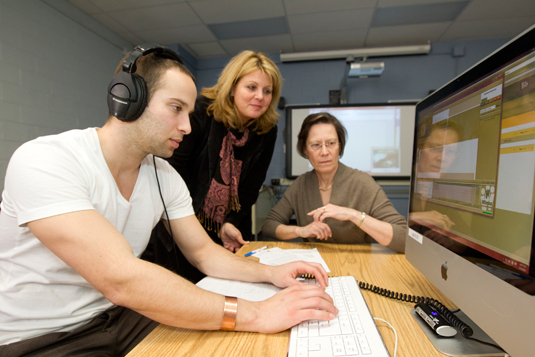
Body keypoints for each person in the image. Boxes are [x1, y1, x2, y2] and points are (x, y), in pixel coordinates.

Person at [0, 45, 336, 357]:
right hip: (41, 337)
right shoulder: (45, 160)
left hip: (121, 317)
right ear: (127, 99)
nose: (188, 127)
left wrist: (271, 273)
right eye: (176, 108)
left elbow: (204, 253)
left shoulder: (164, 176)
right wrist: (257, 312)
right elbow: (121, 278)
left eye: (189, 113)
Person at [166, 50, 282, 254]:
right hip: (181, 222)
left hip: (230, 230)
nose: (260, 97)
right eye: (251, 87)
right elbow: (172, 174)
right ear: (232, 87)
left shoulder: (266, 130)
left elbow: (251, 186)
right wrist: (190, 232)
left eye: (267, 91)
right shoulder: (201, 112)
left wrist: (232, 222)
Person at [262, 112, 407, 253]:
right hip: (313, 268)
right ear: (305, 150)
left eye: (331, 143)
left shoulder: (362, 183)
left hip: (356, 267)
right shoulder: (300, 185)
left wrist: (354, 215)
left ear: (340, 146)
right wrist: (301, 230)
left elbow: (403, 238)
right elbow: (269, 226)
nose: (324, 152)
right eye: (316, 145)